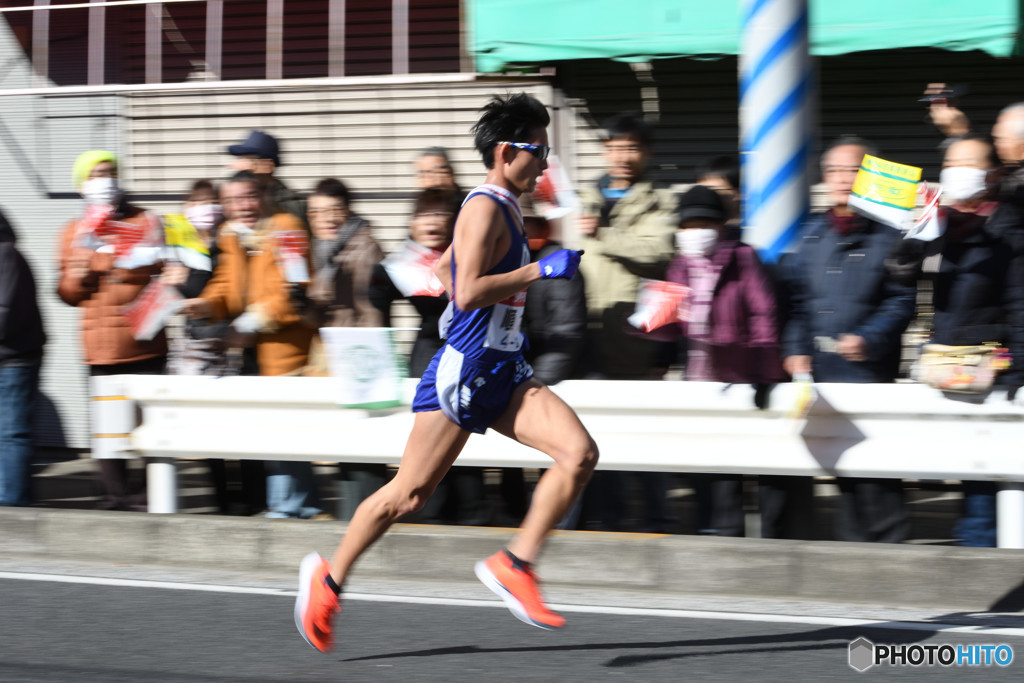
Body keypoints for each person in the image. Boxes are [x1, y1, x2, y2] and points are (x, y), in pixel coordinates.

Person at [295, 92, 598, 652]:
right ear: (509, 152)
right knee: (407, 496)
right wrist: (538, 269)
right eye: (541, 149)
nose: (547, 161)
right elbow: (464, 288)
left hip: (503, 365)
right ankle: (328, 581)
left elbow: (441, 267)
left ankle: (515, 564)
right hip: (464, 370)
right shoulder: (484, 205)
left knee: (579, 454)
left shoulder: (501, 206)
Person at [779, 136, 916, 543]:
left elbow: (902, 300)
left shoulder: (891, 234)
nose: (842, 179)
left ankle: (893, 557)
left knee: (878, 475)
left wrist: (869, 339)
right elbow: (797, 303)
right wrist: (795, 350)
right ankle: (854, 559)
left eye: (853, 170)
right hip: (821, 374)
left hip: (869, 370)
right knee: (843, 476)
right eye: (834, 170)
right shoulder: (812, 235)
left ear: (871, 176)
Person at [889, 135, 1024, 546]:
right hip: (945, 363)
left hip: (989, 365)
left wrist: (1019, 365)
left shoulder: (1008, 225)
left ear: (993, 173)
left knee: (985, 478)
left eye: (969, 163)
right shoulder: (939, 222)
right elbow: (901, 274)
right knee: (968, 473)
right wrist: (912, 241)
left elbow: (1020, 303)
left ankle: (983, 549)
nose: (957, 171)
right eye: (951, 163)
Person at [180, 171, 321, 519]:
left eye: (249, 196)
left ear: (264, 196)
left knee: (285, 432)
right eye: (231, 200)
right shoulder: (231, 236)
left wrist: (246, 324)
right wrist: (205, 304)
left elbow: (293, 296)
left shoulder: (287, 228)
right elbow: (225, 285)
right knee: (270, 432)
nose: (242, 206)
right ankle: (288, 505)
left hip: (287, 353)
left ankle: (291, 506)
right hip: (250, 352)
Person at [574, 112, 676, 533]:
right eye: (616, 147)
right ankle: (605, 518)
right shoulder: (580, 197)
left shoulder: (661, 201)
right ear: (604, 150)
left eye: (633, 147)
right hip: (583, 335)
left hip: (635, 338)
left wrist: (603, 235)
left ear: (646, 154)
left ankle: (655, 519)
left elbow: (659, 252)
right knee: (589, 434)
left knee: (642, 433)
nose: (623, 155)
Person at [663, 185, 785, 536]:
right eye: (687, 225)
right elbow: (669, 323)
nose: (694, 232)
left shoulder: (743, 257)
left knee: (753, 463)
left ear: (720, 226)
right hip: (698, 380)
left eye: (703, 224)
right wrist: (646, 324)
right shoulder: (679, 265)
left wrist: (764, 373)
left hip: (742, 376)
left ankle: (768, 539)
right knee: (710, 466)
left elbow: (765, 315)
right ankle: (717, 533)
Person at [56, 150, 167, 511]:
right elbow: (67, 293)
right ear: (81, 185)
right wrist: (76, 273)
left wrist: (106, 250)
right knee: (107, 430)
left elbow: (160, 269)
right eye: (96, 174)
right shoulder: (72, 231)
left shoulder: (144, 221)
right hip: (99, 346)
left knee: (147, 424)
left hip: (143, 342)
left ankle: (151, 493)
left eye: (110, 172)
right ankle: (115, 495)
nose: (105, 179)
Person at [0, 211, 45, 507]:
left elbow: (5, 311)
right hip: (9, 358)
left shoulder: (6, 255)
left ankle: (13, 509)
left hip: (14, 361)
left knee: (12, 436)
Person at [226, 130, 305, 222]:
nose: (241, 168)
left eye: (250, 162)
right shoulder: (235, 199)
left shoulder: (290, 205)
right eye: (240, 160)